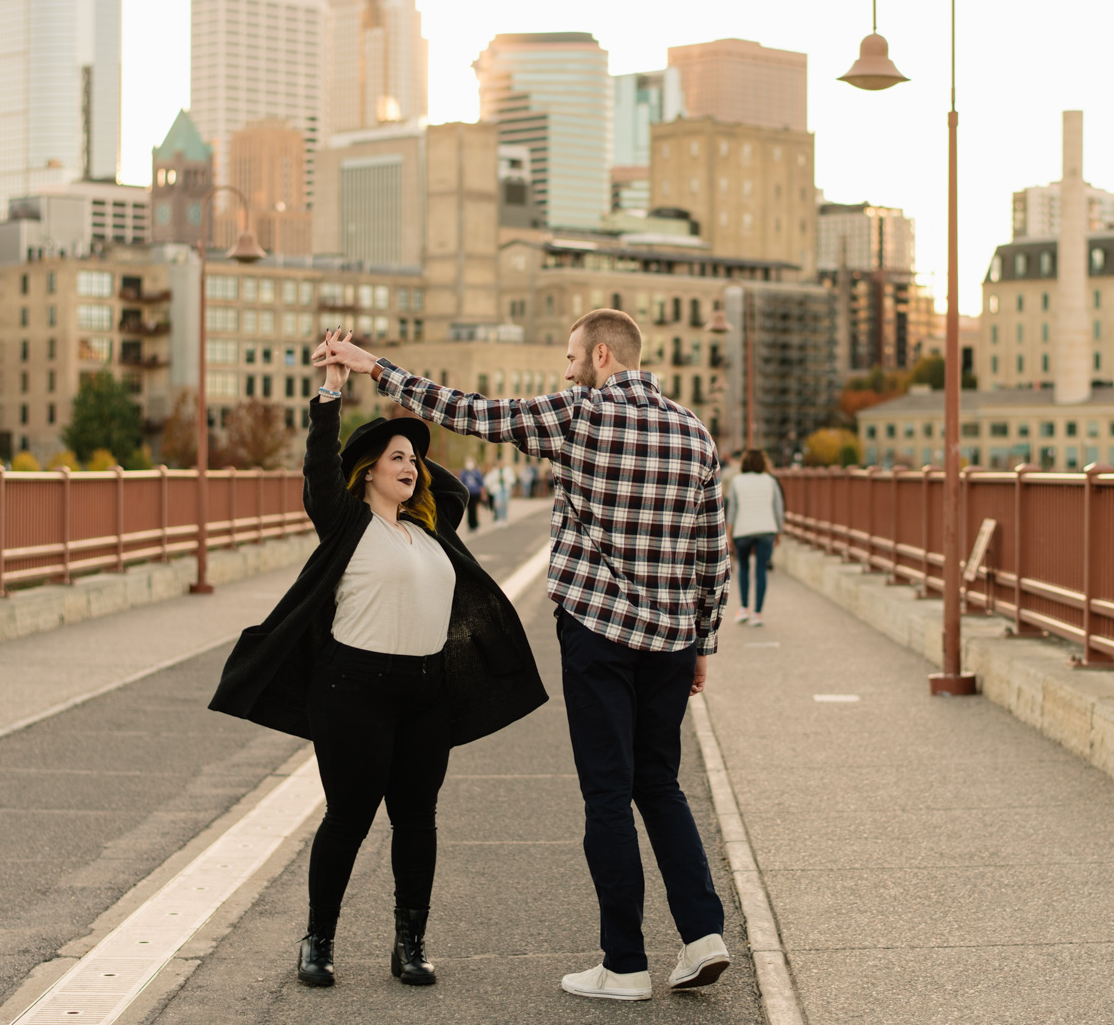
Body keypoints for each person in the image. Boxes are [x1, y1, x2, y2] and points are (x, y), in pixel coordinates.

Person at [314, 308, 732, 1002]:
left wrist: (376, 368)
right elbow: (711, 551)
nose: (565, 371)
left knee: (608, 792)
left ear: (602, 355)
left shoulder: (579, 414)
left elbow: (472, 412)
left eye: (572, 358)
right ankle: (703, 934)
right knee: (659, 783)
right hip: (670, 640)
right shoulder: (694, 432)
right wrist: (703, 639)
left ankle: (624, 964)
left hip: (600, 633)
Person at [209, 330, 547, 990]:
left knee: (418, 820)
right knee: (349, 817)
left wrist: (407, 446)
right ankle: (318, 940)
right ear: (363, 473)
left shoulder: (428, 532)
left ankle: (410, 942)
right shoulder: (347, 523)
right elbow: (318, 472)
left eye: (413, 462)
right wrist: (334, 394)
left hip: (426, 692)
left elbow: (448, 487)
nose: (412, 467)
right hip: (352, 688)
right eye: (395, 459)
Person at [725, 449, 785, 626]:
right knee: (761, 571)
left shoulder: (737, 481)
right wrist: (779, 532)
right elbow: (778, 509)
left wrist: (728, 534)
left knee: (743, 567)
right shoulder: (771, 481)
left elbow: (732, 510)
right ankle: (757, 613)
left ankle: (743, 608)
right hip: (766, 529)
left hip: (743, 530)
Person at [457, 457, 485, 532]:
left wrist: (483, 493)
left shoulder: (477, 472)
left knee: (475, 508)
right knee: (469, 509)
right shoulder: (464, 472)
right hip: (468, 493)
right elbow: (461, 482)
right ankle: (470, 524)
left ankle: (475, 524)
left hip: (476, 493)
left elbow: (481, 483)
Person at [487, 459, 512, 526]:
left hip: (505, 489)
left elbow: (512, 480)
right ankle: (499, 519)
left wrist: (505, 478)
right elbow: (489, 480)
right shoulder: (495, 471)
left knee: (505, 505)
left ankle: (504, 519)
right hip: (498, 490)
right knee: (498, 505)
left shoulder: (508, 470)